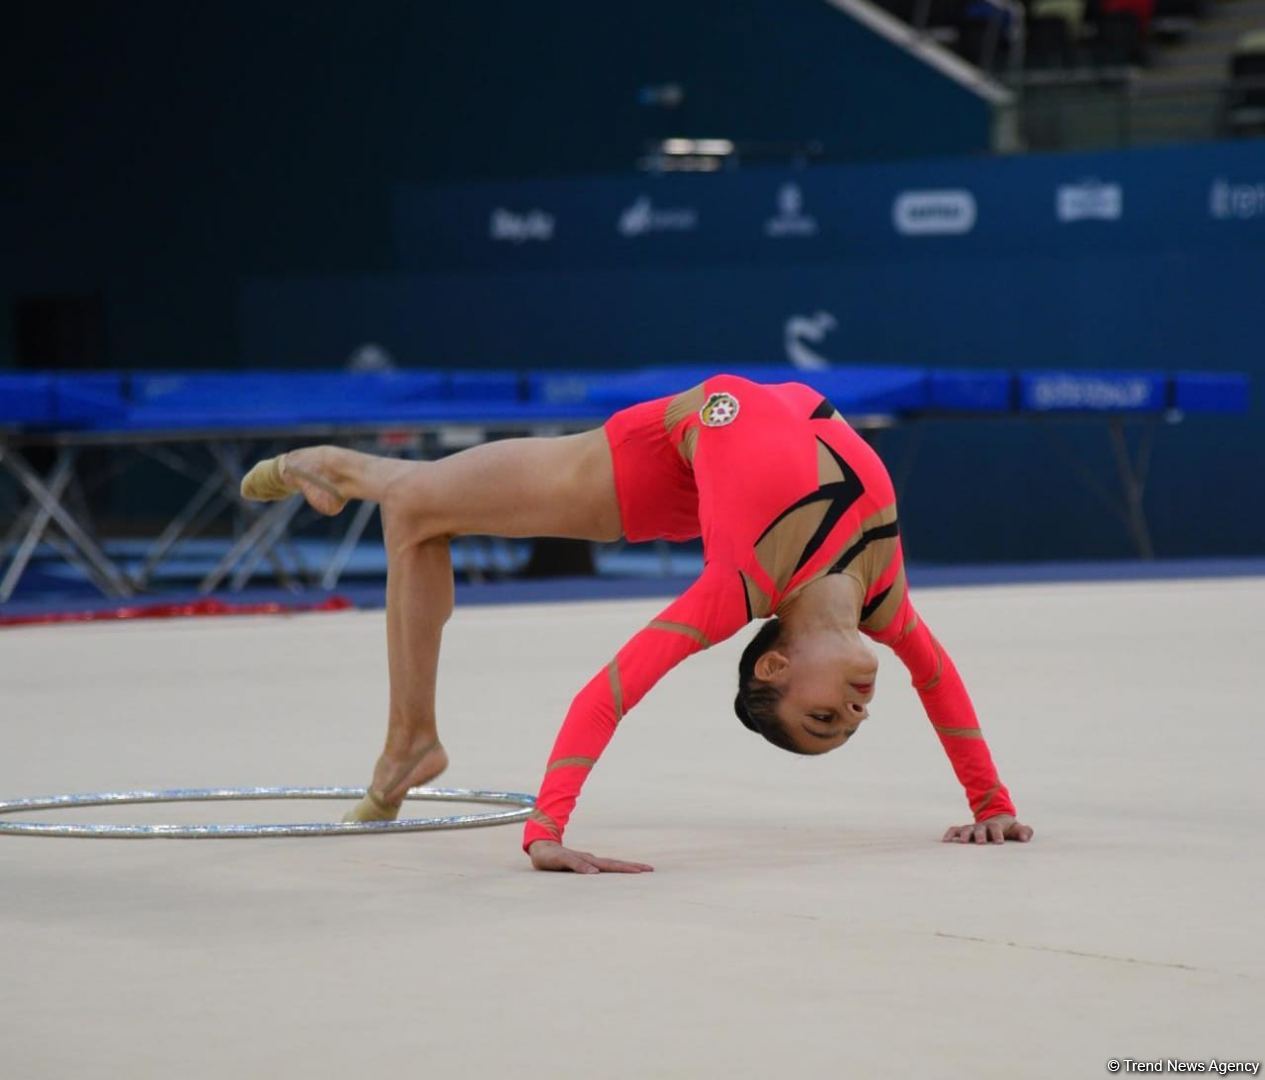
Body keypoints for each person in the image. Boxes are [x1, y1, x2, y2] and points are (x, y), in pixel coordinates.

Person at [242, 374, 1033, 873]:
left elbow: (608, 692)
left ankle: (409, 735)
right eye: (851, 719)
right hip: (702, 453)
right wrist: (990, 805)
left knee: (416, 510)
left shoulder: (734, 587)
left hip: (641, 469)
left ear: (773, 667)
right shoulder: (884, 597)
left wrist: (544, 830)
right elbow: (939, 683)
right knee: (419, 505)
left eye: (824, 715)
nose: (857, 706)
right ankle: (346, 475)